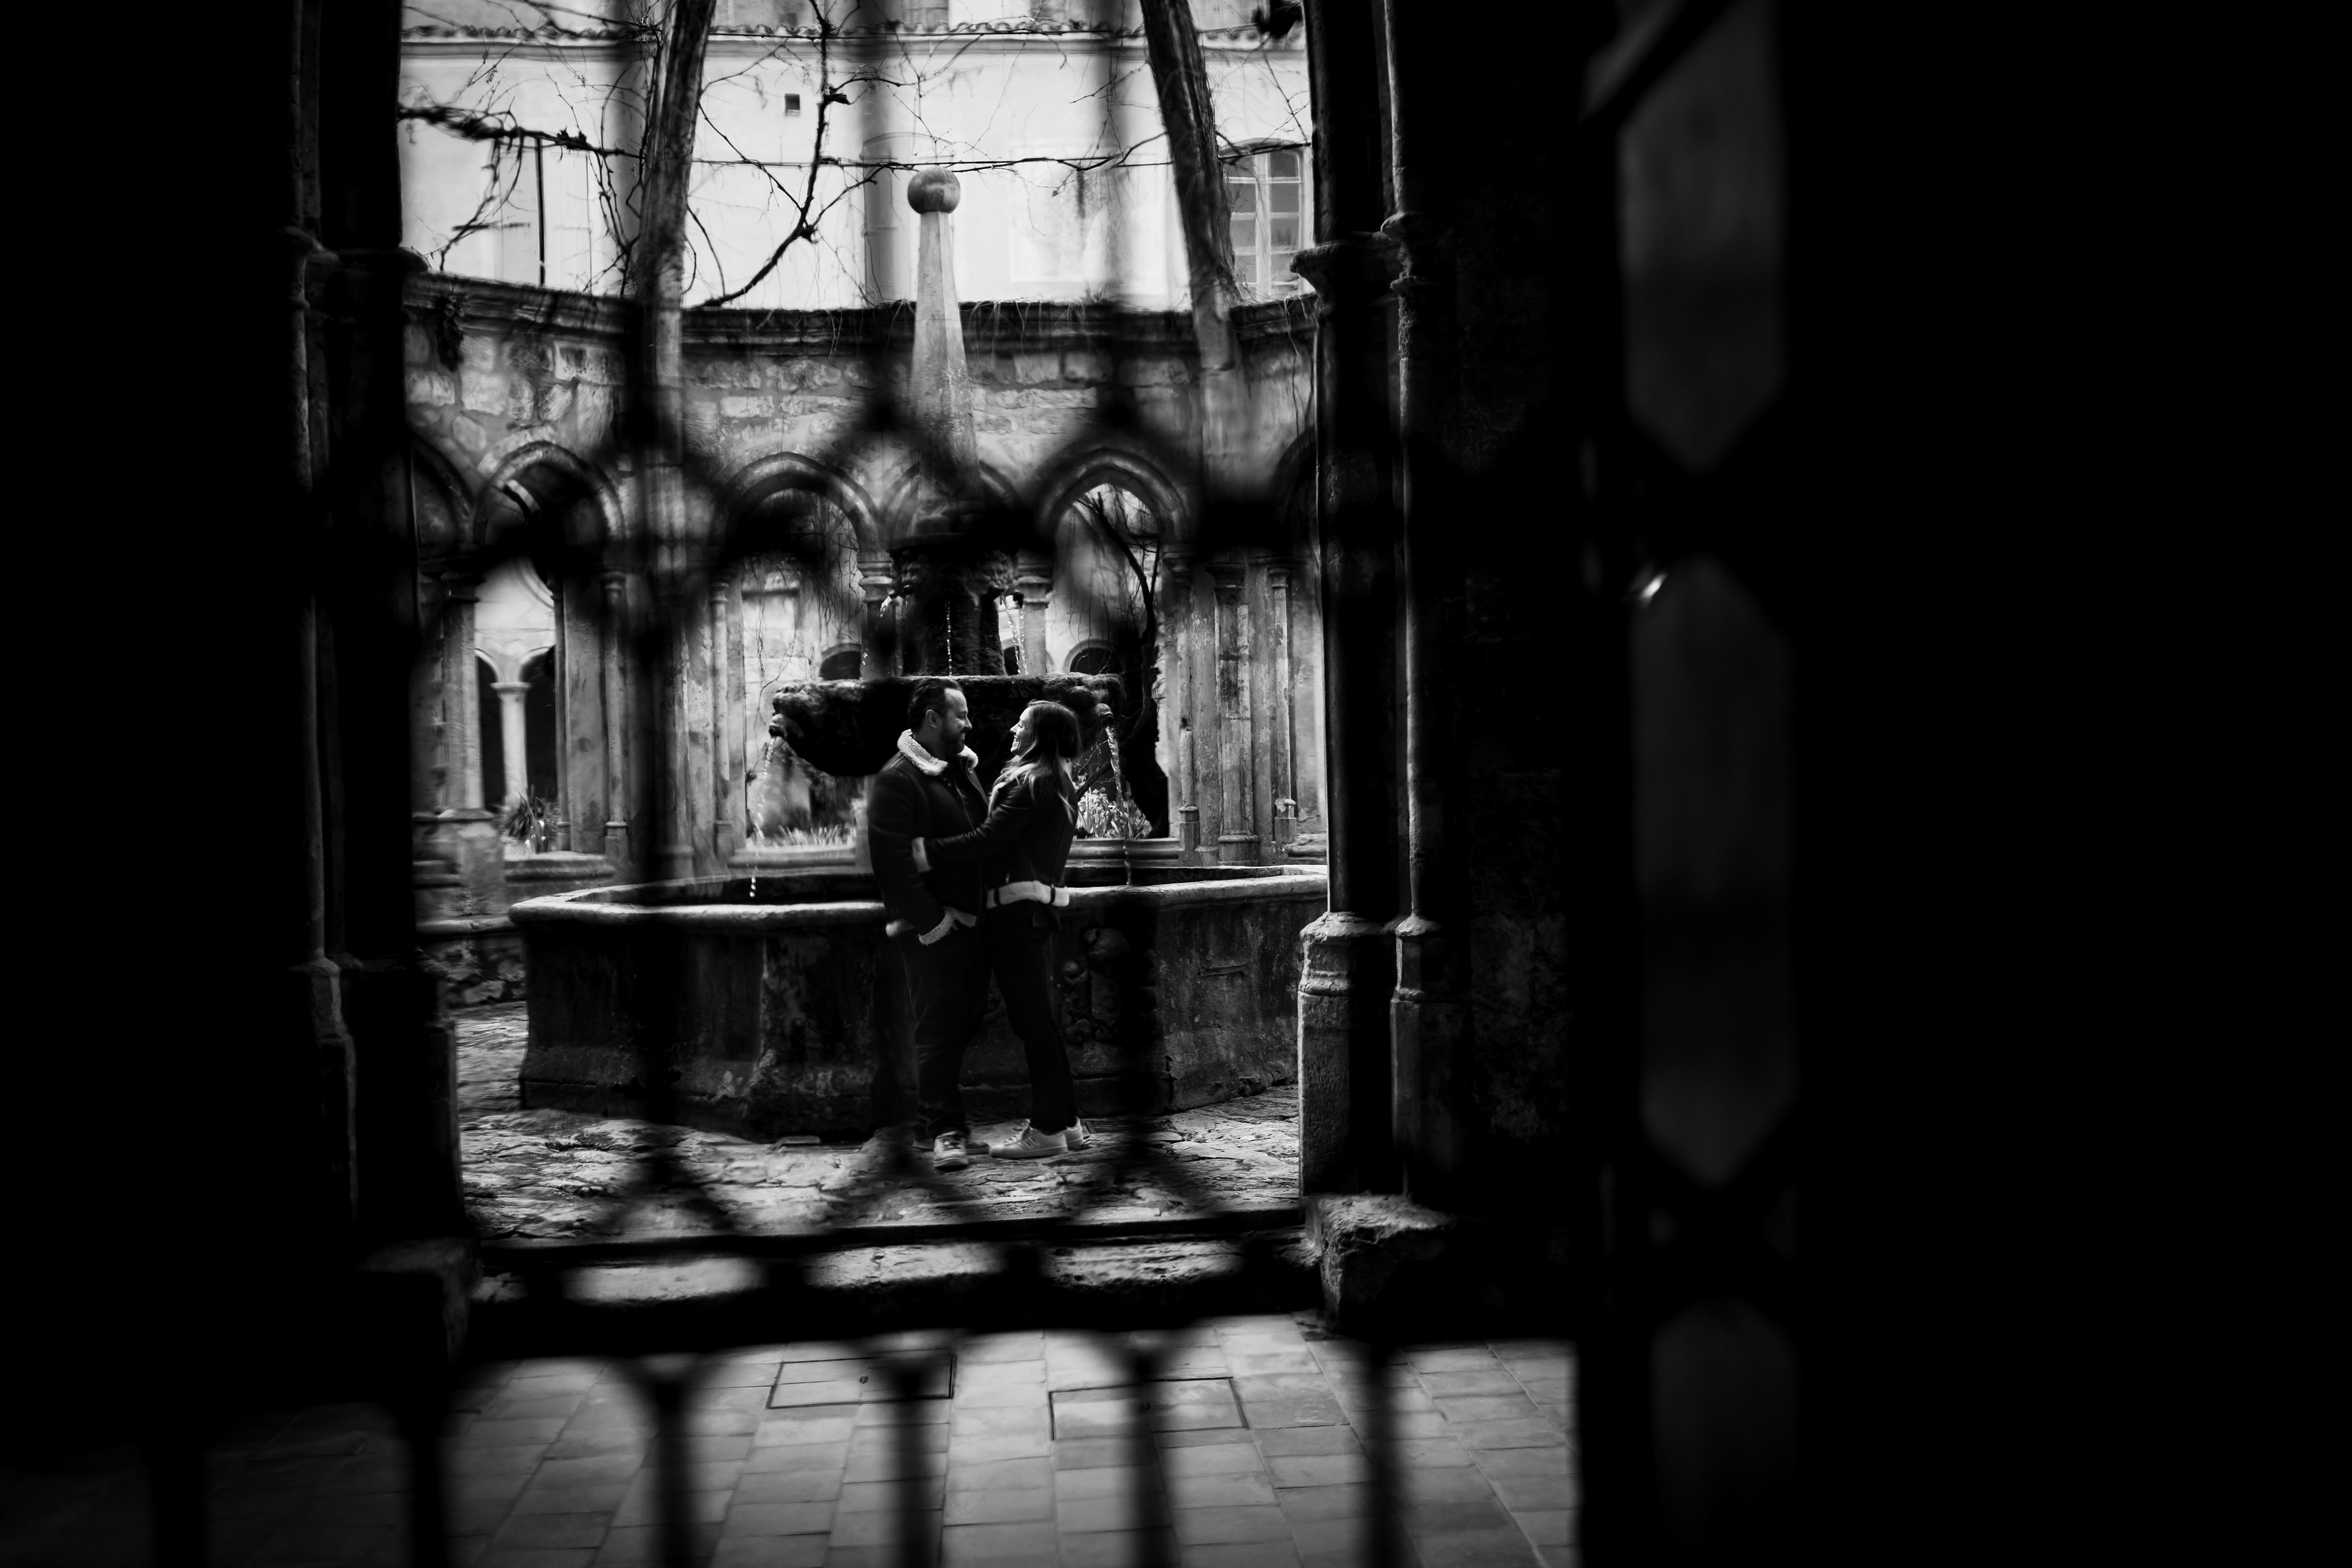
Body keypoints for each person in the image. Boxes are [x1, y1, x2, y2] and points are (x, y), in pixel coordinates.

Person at [914, 700, 1094, 1159]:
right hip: (1031, 913)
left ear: (1041, 735)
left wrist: (927, 851)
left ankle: (1048, 1130)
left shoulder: (1032, 782)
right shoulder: (1054, 781)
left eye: (1024, 724)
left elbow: (988, 839)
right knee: (1038, 1022)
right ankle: (1069, 1123)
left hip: (1014, 916)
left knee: (1033, 1023)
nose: (1015, 727)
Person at [865, 679, 993, 1172]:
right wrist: (934, 923)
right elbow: (892, 864)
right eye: (960, 715)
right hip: (932, 930)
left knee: (965, 1021)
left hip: (972, 923)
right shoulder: (899, 778)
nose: (969, 724)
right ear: (933, 719)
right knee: (937, 1029)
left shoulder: (961, 770)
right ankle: (945, 1132)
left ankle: (930, 1123)